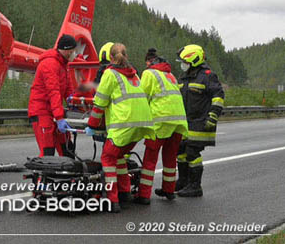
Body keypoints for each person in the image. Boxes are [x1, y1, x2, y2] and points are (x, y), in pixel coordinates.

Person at [85, 43, 155, 212]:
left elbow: (100, 102)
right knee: (120, 156)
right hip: (142, 125)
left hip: (124, 125)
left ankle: (113, 200)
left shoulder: (110, 74)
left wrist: (92, 125)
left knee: (107, 158)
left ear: (110, 57)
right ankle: (125, 193)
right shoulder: (134, 73)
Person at [134, 48, 189, 204]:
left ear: (149, 62)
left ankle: (144, 195)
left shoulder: (149, 74)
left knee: (150, 159)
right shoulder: (170, 75)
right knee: (170, 158)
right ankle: (169, 190)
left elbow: (142, 97)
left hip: (161, 121)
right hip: (178, 121)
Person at [175, 44, 224, 197]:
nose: (183, 65)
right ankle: (183, 181)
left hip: (201, 122)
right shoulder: (184, 76)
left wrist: (213, 116)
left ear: (194, 60)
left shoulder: (208, 76)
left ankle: (195, 186)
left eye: (185, 61)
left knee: (192, 152)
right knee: (180, 150)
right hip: (186, 122)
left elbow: (218, 97)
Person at [28, 34, 77, 157]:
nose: (74, 54)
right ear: (68, 50)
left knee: (67, 149)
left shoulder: (63, 64)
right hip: (42, 111)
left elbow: (68, 87)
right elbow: (53, 91)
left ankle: (67, 175)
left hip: (53, 111)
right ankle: (42, 176)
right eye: (73, 51)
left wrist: (73, 102)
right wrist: (59, 117)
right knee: (48, 152)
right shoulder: (50, 64)